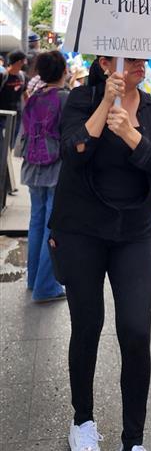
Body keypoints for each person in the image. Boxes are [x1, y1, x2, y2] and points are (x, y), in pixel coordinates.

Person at [48, 55, 151, 451]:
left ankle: (132, 443)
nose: (141, 64)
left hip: (133, 235)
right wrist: (105, 107)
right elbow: (72, 151)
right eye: (131, 57)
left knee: (136, 332)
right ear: (107, 61)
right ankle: (82, 422)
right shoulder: (80, 99)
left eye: (144, 57)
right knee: (87, 327)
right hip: (81, 232)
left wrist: (134, 137)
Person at [21, 51, 69, 302]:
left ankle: (33, 280)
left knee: (36, 223)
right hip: (56, 169)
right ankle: (45, 287)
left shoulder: (33, 98)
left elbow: (24, 134)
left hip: (33, 166)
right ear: (63, 71)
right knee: (53, 227)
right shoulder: (64, 98)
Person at [0, 49, 27, 146]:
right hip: (2, 115)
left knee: (10, 143)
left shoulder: (23, 76)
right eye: (24, 61)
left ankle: (6, 160)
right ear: (19, 62)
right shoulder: (3, 75)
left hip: (16, 115)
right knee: (1, 143)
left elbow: (25, 93)